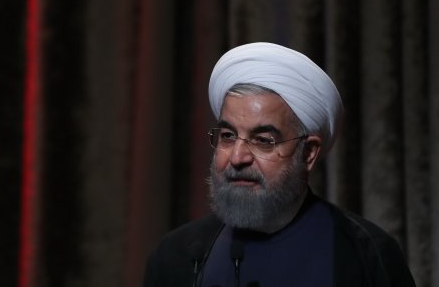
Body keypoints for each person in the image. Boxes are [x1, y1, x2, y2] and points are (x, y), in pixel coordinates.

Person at [143, 42, 416, 287]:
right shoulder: (178, 256)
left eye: (263, 140)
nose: (237, 157)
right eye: (227, 136)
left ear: (308, 153)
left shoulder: (366, 255)